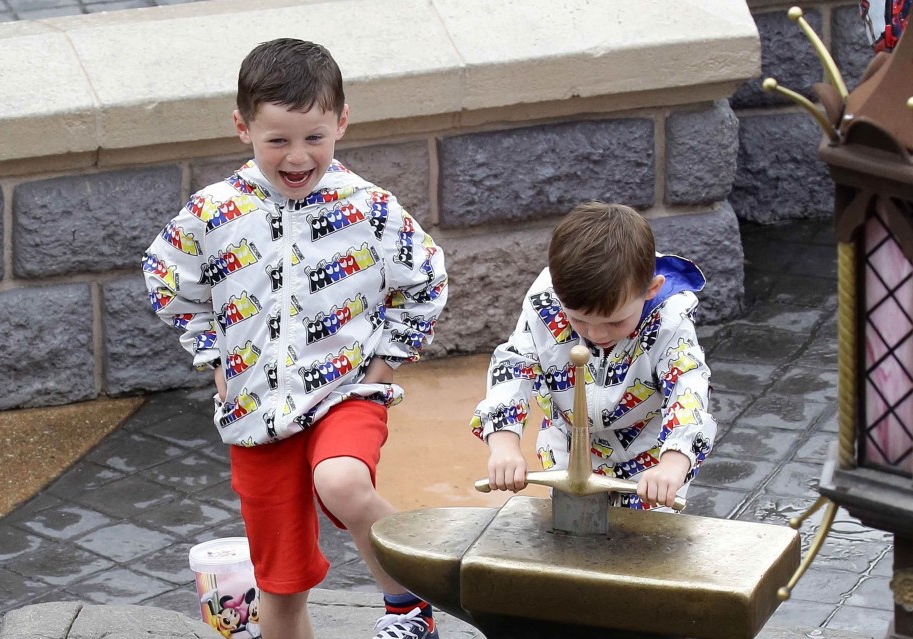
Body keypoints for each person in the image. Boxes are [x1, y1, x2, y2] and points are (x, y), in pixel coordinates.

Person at [142, 38, 447, 639]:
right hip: (255, 409)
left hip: (346, 392)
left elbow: (426, 281)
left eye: (314, 136)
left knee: (341, 481)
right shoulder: (213, 212)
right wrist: (212, 355)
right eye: (277, 139)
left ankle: (412, 604)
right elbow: (166, 278)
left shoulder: (371, 209)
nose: (297, 156)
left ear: (341, 122)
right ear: (242, 127)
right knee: (279, 585)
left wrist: (383, 368)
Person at [471, 202, 715, 510]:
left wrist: (675, 460)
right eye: (579, 320)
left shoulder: (668, 322)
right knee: (571, 540)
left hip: (649, 461)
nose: (596, 334)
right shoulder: (546, 306)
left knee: (647, 546)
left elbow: (688, 385)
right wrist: (503, 442)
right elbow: (515, 366)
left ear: (652, 289)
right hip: (569, 451)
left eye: (615, 322)